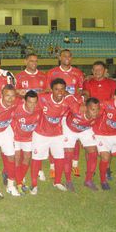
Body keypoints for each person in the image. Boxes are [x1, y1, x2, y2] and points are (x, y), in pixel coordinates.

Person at [30, 78, 79, 194]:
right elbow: (29, 101)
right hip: (41, 133)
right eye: (56, 90)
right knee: (36, 159)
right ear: (51, 90)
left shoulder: (67, 100)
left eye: (62, 90)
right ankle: (34, 184)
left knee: (59, 158)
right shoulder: (42, 98)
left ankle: (57, 181)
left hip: (57, 133)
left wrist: (70, 96)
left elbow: (77, 111)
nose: (59, 92)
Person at [46, 49, 85, 177]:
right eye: (64, 56)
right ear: (59, 57)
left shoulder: (78, 73)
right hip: (57, 110)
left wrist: (79, 104)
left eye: (69, 56)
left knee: (75, 137)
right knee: (54, 137)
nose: (67, 58)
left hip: (72, 111)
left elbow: (80, 92)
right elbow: (47, 91)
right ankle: (52, 166)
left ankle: (75, 165)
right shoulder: (52, 72)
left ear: (71, 58)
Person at [63, 97, 101, 191]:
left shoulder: (99, 113)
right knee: (68, 154)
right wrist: (80, 101)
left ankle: (88, 181)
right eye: (92, 109)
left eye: (97, 109)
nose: (95, 112)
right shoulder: (76, 108)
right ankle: (68, 181)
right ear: (85, 107)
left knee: (93, 152)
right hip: (69, 128)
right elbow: (67, 95)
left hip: (85, 129)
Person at [12, 90, 41, 194]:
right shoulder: (17, 108)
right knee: (17, 157)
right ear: (24, 101)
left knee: (27, 157)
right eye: (30, 102)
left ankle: (20, 178)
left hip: (28, 137)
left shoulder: (39, 109)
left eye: (34, 102)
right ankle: (19, 183)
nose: (32, 105)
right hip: (15, 136)